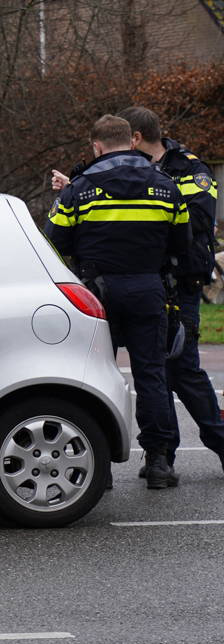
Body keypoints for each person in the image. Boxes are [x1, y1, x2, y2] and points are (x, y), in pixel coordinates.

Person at [46, 113, 191, 489]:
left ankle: (100, 469)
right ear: (131, 142)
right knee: (151, 375)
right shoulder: (166, 186)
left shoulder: (79, 188)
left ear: (96, 146)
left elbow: (53, 241)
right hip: (148, 289)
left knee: (92, 378)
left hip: (96, 294)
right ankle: (159, 463)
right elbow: (182, 244)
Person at [119, 105, 224, 473]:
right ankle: (161, 455)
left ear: (136, 137)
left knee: (182, 368)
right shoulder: (128, 170)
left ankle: (219, 439)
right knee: (153, 371)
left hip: (183, 283)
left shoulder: (190, 168)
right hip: (148, 280)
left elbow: (197, 220)